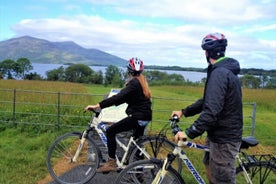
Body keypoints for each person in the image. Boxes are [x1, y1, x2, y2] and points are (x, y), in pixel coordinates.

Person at [172, 33, 243, 184]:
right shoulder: (222, 70)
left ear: (207, 52)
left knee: (222, 179)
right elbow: (207, 100)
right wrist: (184, 112)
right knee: (208, 164)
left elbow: (211, 112)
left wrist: (189, 132)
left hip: (224, 139)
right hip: (218, 134)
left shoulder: (219, 73)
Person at [84, 57, 152, 173]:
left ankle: (111, 163)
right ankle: (138, 173)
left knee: (111, 131)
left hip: (137, 117)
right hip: (144, 117)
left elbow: (118, 97)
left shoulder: (134, 83)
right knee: (137, 145)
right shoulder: (141, 82)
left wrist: (98, 105)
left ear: (129, 71)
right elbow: (122, 99)